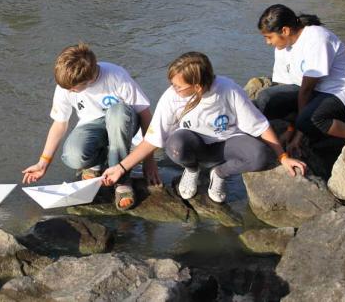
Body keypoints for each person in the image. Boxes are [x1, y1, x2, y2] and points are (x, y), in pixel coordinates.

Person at [102, 52, 306, 203]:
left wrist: (283, 157)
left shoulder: (228, 90)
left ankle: (219, 174)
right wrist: (120, 168)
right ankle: (191, 170)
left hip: (227, 144)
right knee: (175, 144)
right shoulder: (171, 98)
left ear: (198, 86)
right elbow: (152, 140)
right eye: (172, 84)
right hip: (194, 145)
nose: (174, 89)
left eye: (179, 86)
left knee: (260, 156)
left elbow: (260, 126)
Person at [22, 43, 160, 210]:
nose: (69, 91)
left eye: (73, 89)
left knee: (117, 114)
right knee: (73, 156)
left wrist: (149, 161)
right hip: (93, 126)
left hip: (124, 122)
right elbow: (59, 124)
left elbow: (146, 116)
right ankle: (97, 164)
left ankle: (122, 181)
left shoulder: (116, 76)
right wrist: (43, 162)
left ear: (90, 79)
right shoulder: (66, 85)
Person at [255, 4, 345, 157]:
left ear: (285, 31)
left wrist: (297, 134)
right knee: (266, 100)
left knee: (310, 120)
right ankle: (308, 127)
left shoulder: (317, 38)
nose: (268, 42)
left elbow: (305, 90)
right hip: (314, 94)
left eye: (269, 37)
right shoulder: (282, 47)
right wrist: (290, 129)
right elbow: (290, 88)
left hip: (341, 92)